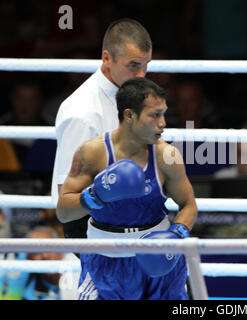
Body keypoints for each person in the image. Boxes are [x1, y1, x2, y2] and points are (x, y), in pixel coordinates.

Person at [56, 77, 197, 300]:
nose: (163, 123)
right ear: (129, 115)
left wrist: (176, 235)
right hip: (104, 257)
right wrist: (95, 195)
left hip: (158, 255)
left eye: (163, 113)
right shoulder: (92, 153)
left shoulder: (166, 155)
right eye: (154, 115)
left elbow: (188, 205)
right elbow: (63, 212)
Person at [51, 18, 153, 240]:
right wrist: (104, 191)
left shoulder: (130, 96)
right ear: (107, 58)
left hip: (131, 222)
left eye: (146, 64)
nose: (142, 74)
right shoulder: (83, 113)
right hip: (92, 230)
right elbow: (65, 201)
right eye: (133, 65)